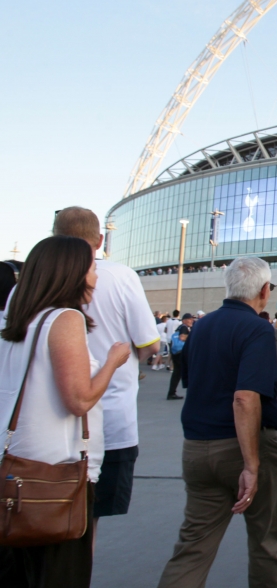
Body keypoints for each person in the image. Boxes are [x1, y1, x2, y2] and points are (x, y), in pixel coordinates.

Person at [0, 236, 131, 587]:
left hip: (15, 467)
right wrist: (112, 362)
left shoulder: (18, 321)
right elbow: (79, 399)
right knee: (61, 573)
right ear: (71, 272)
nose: (96, 277)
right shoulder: (65, 318)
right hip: (55, 475)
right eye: (91, 268)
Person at [157, 257, 277, 588]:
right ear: (264, 291)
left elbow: (193, 382)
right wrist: (250, 464)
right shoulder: (258, 329)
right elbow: (245, 398)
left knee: (192, 548)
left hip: (197, 445)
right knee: (265, 541)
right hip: (244, 444)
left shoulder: (201, 327)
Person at [52, 207, 162, 525]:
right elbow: (148, 344)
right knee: (88, 522)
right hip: (110, 420)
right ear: (100, 239)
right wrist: (121, 359)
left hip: (36, 433)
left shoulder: (29, 286)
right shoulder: (120, 276)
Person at [167, 323, 190, 400]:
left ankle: (171, 392)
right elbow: (182, 337)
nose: (191, 320)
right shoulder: (184, 327)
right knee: (184, 373)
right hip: (180, 353)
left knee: (176, 374)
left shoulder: (179, 327)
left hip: (175, 353)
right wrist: (190, 337)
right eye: (190, 319)